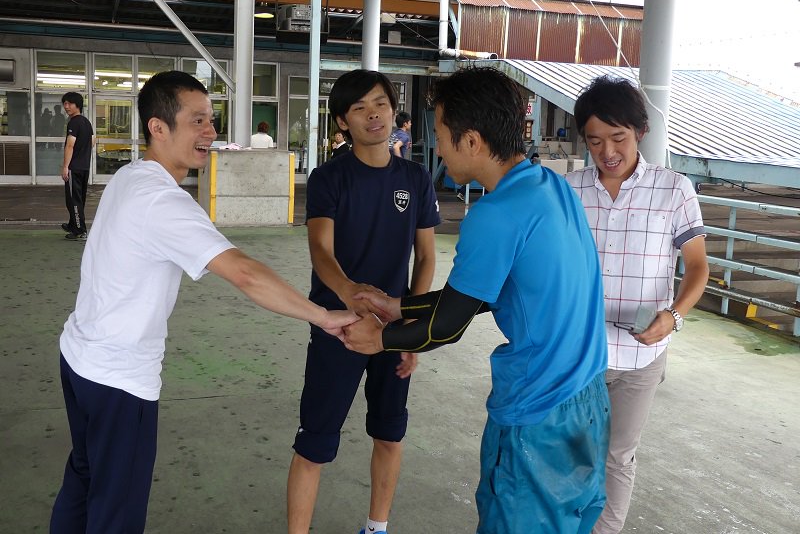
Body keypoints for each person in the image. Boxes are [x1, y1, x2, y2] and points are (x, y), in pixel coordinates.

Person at [49, 71, 358, 534]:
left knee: (85, 475)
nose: (210, 133)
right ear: (158, 128)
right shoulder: (162, 201)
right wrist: (324, 316)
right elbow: (246, 273)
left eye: (211, 120)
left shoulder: (129, 177)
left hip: (79, 358)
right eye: (197, 121)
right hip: (118, 378)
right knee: (117, 508)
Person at [343, 66, 610, 534]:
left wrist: (378, 338)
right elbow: (492, 293)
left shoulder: (495, 213)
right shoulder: (551, 188)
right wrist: (399, 306)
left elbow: (448, 324)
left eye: (442, 134)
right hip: (587, 397)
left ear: (471, 141)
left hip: (538, 411)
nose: (438, 148)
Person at [286, 69, 440, 534]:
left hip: (392, 331)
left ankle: (377, 527)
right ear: (342, 122)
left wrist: (411, 328)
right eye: (360, 108)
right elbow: (321, 250)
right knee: (314, 443)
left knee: (390, 434)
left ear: (394, 111)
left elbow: (427, 256)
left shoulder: (415, 178)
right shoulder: (329, 178)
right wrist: (349, 293)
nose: (374, 114)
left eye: (381, 103)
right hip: (339, 327)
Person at [564, 76, 709, 534]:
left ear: (640, 130)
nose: (608, 150)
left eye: (618, 137)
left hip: (639, 356)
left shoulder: (674, 189)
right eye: (595, 140)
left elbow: (698, 266)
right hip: (577, 351)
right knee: (570, 449)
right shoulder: (567, 191)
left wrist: (675, 316)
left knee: (617, 455)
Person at [60, 92, 94, 241]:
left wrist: (65, 166)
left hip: (75, 167)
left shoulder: (74, 122)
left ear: (77, 105)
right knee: (78, 199)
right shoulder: (86, 122)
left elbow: (70, 145)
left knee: (73, 200)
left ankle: (80, 230)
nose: (66, 107)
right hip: (84, 167)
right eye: (65, 103)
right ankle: (73, 225)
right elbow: (93, 141)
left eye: (69, 104)